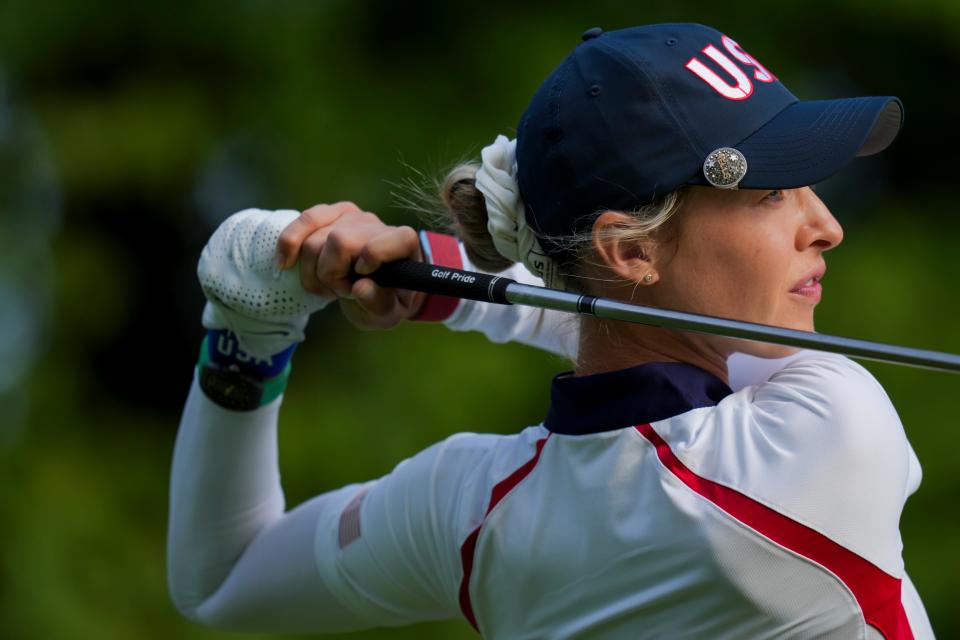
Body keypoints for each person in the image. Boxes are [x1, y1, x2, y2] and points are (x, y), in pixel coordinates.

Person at [167, 23, 934, 639]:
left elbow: (221, 582)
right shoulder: (830, 428)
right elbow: (652, 356)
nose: (825, 226)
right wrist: (445, 286)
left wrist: (250, 325)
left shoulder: (469, 512)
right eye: (771, 193)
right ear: (629, 250)